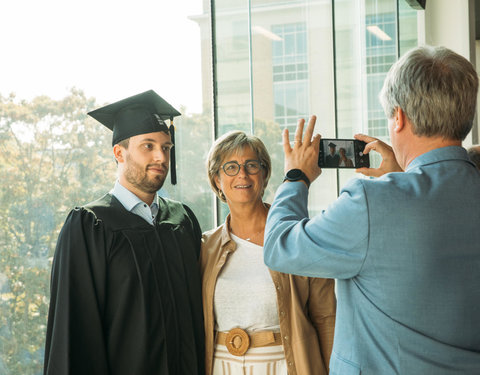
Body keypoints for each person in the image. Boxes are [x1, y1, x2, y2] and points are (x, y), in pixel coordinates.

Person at [264, 45, 480, 374]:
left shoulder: (372, 201)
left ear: (399, 117)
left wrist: (296, 177)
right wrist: (401, 180)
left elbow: (280, 247)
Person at [44, 90, 205, 375]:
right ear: (119, 152)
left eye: (166, 147)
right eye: (148, 146)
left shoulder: (182, 220)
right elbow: (75, 332)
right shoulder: (90, 225)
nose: (160, 156)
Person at [201, 131, 336, 375]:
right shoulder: (204, 248)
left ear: (264, 175)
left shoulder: (298, 238)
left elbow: (326, 317)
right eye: (231, 167)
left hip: (286, 366)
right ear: (216, 180)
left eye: (252, 165)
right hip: (222, 367)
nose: (242, 174)